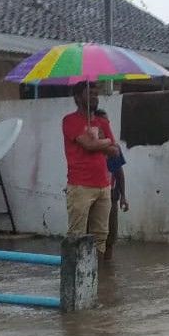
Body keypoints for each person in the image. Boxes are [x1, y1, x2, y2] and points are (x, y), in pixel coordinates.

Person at [62, 82, 119, 256]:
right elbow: (88, 145)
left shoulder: (102, 121)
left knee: (101, 236)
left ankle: (98, 278)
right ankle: (73, 278)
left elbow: (116, 151)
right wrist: (105, 142)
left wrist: (100, 143)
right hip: (80, 186)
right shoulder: (70, 120)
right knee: (76, 235)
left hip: (103, 185)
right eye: (90, 93)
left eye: (96, 93)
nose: (95, 96)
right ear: (78, 97)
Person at [95, 108, 130, 260]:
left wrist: (123, 196)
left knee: (110, 236)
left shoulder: (114, 148)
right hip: (91, 196)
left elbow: (119, 173)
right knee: (91, 235)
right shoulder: (87, 146)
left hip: (110, 196)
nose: (105, 126)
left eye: (107, 123)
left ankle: (106, 269)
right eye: (102, 123)